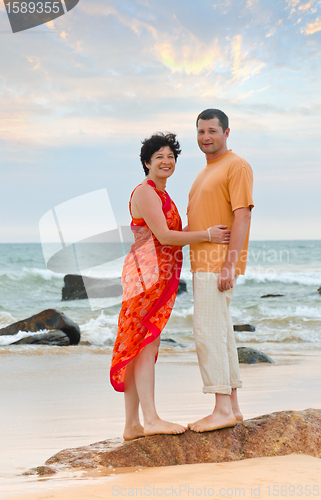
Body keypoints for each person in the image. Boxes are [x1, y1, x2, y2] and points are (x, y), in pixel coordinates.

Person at [110, 132, 231, 440]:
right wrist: (206, 235)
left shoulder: (163, 195)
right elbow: (164, 237)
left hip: (155, 274)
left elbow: (175, 233)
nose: (166, 161)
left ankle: (132, 425)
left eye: (171, 157)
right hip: (145, 276)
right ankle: (150, 419)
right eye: (159, 157)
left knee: (141, 347)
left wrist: (210, 226)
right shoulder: (147, 192)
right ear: (147, 163)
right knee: (145, 345)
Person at [187, 109, 254, 433]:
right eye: (201, 131)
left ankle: (221, 409)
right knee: (223, 335)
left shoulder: (236, 165)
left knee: (207, 334)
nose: (206, 137)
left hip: (217, 265)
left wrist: (230, 264)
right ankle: (234, 406)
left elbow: (242, 216)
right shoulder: (205, 172)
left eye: (212, 130)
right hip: (204, 263)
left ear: (227, 132)